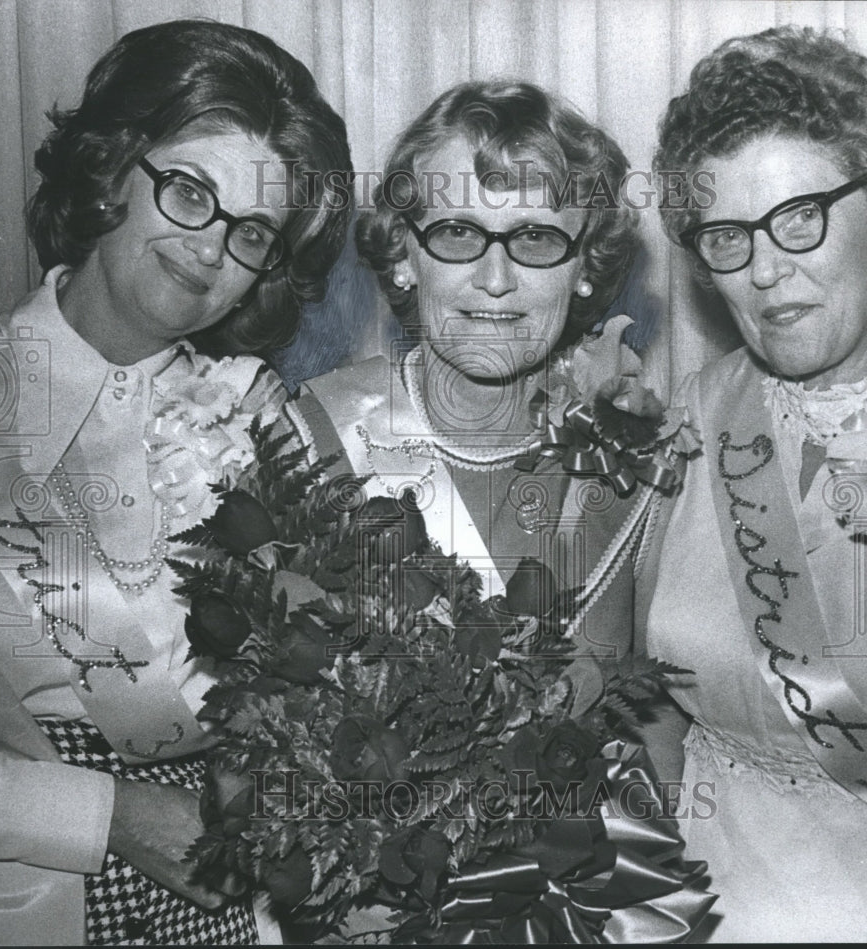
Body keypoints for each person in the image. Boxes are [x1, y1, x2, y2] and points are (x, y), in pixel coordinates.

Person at [284, 79, 712, 942]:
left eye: (537, 239)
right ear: (403, 255)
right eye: (455, 232)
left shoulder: (641, 459)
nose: (494, 277)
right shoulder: (306, 438)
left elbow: (662, 719)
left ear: (588, 269)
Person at [0, 20, 352, 945]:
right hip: (31, 892)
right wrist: (109, 816)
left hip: (240, 902)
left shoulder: (265, 419)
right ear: (109, 170)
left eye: (252, 229)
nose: (211, 246)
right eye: (189, 192)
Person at [646, 25, 867, 941]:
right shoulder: (693, 416)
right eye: (726, 235)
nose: (763, 267)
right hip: (700, 893)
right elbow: (639, 698)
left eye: (800, 216)